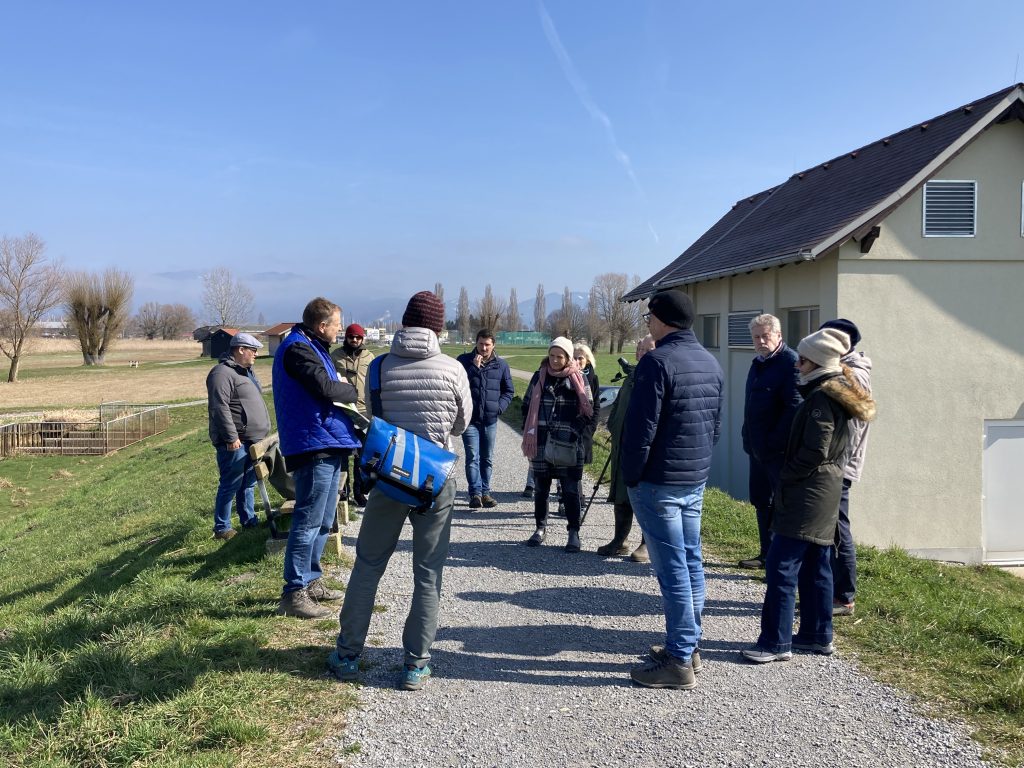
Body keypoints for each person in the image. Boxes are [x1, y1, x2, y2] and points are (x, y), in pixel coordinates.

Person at [329, 290, 471, 691]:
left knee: (369, 564)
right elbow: (461, 424)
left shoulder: (378, 369)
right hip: (436, 479)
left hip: (391, 477)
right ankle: (415, 664)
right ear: (438, 327)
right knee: (428, 572)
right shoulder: (453, 369)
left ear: (406, 322)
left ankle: (348, 654)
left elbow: (376, 419)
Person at [741, 328, 875, 664]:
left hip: (809, 491)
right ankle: (817, 635)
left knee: (781, 565)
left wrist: (785, 476)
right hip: (825, 490)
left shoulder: (822, 398)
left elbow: (816, 449)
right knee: (817, 564)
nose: (796, 365)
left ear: (816, 362)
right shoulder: (832, 392)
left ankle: (775, 642)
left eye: (801, 359)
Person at [622, 289, 723, 690]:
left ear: (663, 320)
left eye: (649, 317)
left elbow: (640, 431)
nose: (647, 322)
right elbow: (715, 426)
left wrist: (631, 475)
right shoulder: (709, 361)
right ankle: (689, 646)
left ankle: (679, 658)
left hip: (658, 482)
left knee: (673, 570)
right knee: (691, 561)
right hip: (693, 476)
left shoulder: (657, 363)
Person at [273, 298, 360, 620]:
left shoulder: (312, 345)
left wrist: (342, 387)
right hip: (313, 444)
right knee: (308, 520)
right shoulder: (297, 349)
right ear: (322, 326)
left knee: (323, 520)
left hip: (326, 440)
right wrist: (348, 389)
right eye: (337, 324)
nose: (339, 329)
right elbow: (326, 389)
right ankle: (294, 592)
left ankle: (311, 580)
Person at [521, 337, 597, 553]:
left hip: (569, 444)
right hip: (542, 441)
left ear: (568, 357)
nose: (555, 360)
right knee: (541, 489)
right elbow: (527, 405)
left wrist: (573, 431)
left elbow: (588, 410)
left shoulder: (579, 379)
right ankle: (540, 528)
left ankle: (573, 532)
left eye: (560, 357)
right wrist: (530, 431)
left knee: (571, 490)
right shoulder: (539, 377)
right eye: (552, 356)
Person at [738, 314, 802, 569]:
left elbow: (794, 407)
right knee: (761, 500)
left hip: (777, 451)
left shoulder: (790, 363)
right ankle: (766, 554)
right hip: (757, 449)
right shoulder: (758, 363)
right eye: (756, 337)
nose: (761, 341)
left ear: (779, 335)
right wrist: (748, 437)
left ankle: (780, 562)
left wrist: (773, 442)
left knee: (780, 505)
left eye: (766, 336)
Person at [819, 318, 873, 617]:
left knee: (839, 531)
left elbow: (851, 421)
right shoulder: (843, 369)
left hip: (841, 464)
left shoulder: (854, 374)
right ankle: (833, 591)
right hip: (835, 462)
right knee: (831, 529)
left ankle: (844, 596)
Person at [206, 332, 271, 541]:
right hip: (235, 442)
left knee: (248, 483)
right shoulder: (221, 373)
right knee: (230, 483)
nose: (256, 355)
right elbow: (219, 407)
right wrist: (231, 437)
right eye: (253, 351)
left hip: (252, 440)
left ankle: (248, 520)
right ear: (240, 349)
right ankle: (222, 528)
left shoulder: (245, 372)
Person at [597, 333, 656, 560]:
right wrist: (614, 429)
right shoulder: (631, 377)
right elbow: (617, 409)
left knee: (643, 497)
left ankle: (646, 543)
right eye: (639, 350)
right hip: (621, 447)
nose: (641, 354)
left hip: (643, 452)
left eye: (647, 351)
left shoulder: (655, 378)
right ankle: (619, 540)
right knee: (621, 495)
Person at [457, 329, 514, 509]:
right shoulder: (464, 361)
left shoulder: (501, 365)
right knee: (472, 456)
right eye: (481, 344)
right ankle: (475, 493)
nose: (483, 348)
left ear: (493, 345)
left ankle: (486, 492)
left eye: (487, 344)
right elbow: (457, 386)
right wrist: (474, 368)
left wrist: (500, 407)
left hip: (490, 419)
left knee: (487, 457)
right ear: (476, 343)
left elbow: (508, 390)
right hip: (470, 420)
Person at [331, 323, 375, 507]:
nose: (354, 340)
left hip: (364, 412)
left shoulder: (370, 357)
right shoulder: (335, 356)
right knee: (342, 454)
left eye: (358, 337)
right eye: (351, 337)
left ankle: (359, 492)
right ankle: (343, 492)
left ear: (362, 338)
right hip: (342, 411)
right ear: (346, 338)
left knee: (361, 455)